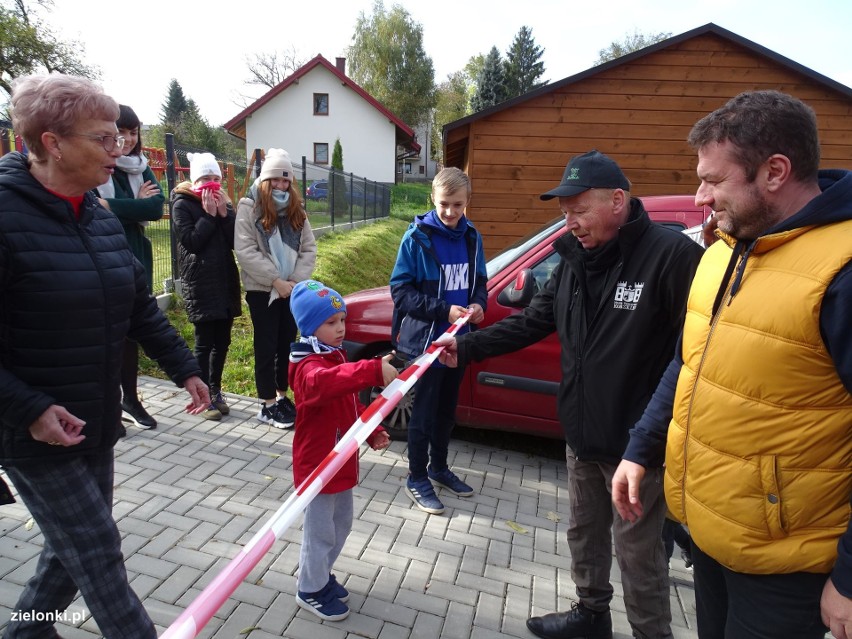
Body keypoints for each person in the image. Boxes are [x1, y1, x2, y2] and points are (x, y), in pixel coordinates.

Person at [612, 90, 852, 639]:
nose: (699, 198)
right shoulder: (724, 248)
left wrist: (851, 578)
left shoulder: (843, 271)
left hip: (783, 567)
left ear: (775, 171)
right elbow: (689, 363)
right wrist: (640, 448)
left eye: (714, 181)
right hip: (710, 535)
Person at [436, 151, 704, 639]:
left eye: (579, 209)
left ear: (618, 200)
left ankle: (652, 634)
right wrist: (466, 347)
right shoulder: (574, 261)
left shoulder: (671, 257)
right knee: (583, 534)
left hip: (636, 448)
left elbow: (692, 357)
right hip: (581, 433)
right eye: (564, 211)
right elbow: (533, 322)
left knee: (639, 557)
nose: (570, 221)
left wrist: (648, 441)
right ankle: (590, 615)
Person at [0, 73, 209, 639]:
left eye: (119, 137)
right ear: (52, 142)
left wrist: (185, 368)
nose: (120, 151)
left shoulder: (96, 213)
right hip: (32, 431)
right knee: (96, 550)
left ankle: (25, 632)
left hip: (94, 418)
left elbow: (138, 306)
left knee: (67, 556)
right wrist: (31, 410)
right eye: (104, 139)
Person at [288, 279, 395, 620]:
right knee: (319, 532)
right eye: (331, 323)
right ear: (309, 326)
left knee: (341, 525)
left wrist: (371, 431)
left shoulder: (333, 355)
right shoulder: (307, 366)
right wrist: (372, 369)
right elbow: (326, 385)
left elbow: (348, 406)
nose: (340, 328)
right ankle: (310, 588)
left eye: (342, 321)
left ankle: (322, 575)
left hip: (341, 459)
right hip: (318, 465)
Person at [389, 167, 487, 515]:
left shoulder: (472, 237)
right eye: (444, 204)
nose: (450, 212)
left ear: (467, 203)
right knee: (424, 415)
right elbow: (399, 291)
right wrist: (443, 310)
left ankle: (439, 468)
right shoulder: (416, 238)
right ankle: (416, 477)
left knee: (447, 413)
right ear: (432, 199)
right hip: (426, 345)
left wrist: (478, 304)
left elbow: (479, 283)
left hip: (458, 344)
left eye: (457, 205)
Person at [235, 149, 316, 429]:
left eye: (286, 181)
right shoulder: (250, 207)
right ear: (266, 180)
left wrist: (294, 281)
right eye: (276, 181)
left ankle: (282, 396)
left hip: (291, 290)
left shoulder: (297, 210)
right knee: (266, 346)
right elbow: (245, 251)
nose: (282, 186)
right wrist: (275, 280)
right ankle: (267, 404)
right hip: (262, 290)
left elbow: (308, 249)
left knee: (286, 344)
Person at [96, 104, 165, 430]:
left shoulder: (140, 167)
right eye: (120, 132)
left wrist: (113, 205)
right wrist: (132, 205)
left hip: (136, 253)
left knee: (131, 332)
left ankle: (131, 398)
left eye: (132, 132)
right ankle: (108, 406)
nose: (126, 139)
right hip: (104, 254)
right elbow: (94, 207)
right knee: (106, 335)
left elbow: (154, 207)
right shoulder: (100, 164)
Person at [171, 153, 242, 421]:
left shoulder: (224, 203)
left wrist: (225, 215)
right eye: (205, 178)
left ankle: (216, 391)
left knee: (222, 342)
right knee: (204, 343)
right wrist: (210, 217)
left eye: (215, 178)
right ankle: (201, 397)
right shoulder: (182, 204)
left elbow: (237, 241)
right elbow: (191, 242)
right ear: (194, 179)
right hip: (200, 282)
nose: (211, 184)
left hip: (225, 281)